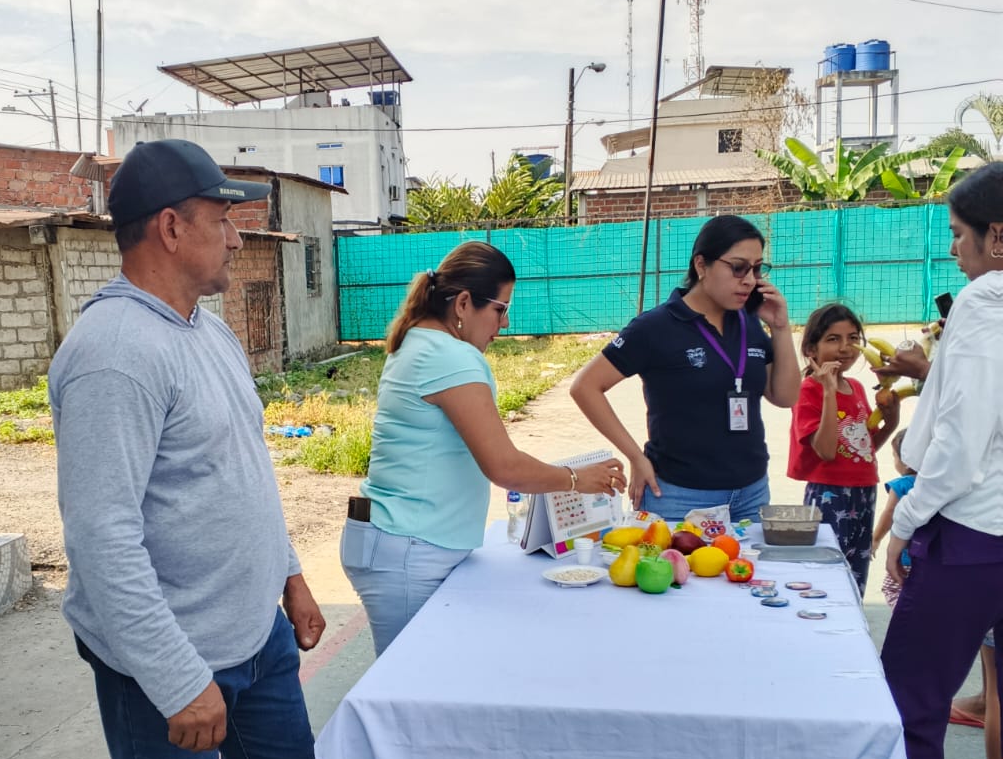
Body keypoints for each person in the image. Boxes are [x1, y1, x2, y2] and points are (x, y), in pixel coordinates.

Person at [49, 139, 351, 759]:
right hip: (165, 666)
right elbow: (102, 539)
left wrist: (291, 577)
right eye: (222, 218)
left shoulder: (205, 333)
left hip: (254, 639)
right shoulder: (112, 355)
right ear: (171, 227)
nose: (237, 235)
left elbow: (244, 473)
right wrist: (178, 679)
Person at [341, 241, 626, 655]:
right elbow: (504, 466)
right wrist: (575, 479)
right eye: (499, 308)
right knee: (414, 681)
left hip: (402, 542)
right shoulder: (450, 356)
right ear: (463, 303)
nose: (505, 323)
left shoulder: (420, 341)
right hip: (410, 550)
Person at [878, 163, 1003, 759]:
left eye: (959, 234)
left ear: (997, 237)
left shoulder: (988, 300)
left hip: (974, 535)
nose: (954, 250)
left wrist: (907, 521)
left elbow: (960, 448)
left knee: (909, 707)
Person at [570, 214, 801, 521]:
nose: (749, 280)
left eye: (757, 269)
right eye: (738, 267)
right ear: (701, 265)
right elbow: (585, 387)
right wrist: (635, 456)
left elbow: (785, 396)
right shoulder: (656, 327)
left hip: (751, 493)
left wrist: (781, 328)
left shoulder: (749, 322)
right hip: (679, 496)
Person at [787, 303, 899, 595]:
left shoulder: (857, 387)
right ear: (811, 349)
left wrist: (891, 421)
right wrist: (828, 392)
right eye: (833, 339)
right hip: (829, 494)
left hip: (864, 492)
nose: (845, 348)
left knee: (855, 574)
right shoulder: (808, 390)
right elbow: (826, 451)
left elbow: (864, 448)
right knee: (824, 574)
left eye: (852, 338)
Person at [872, 427, 916, 608]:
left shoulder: (902, 485)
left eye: (894, 456)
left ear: (906, 461)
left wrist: (876, 538)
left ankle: (906, 620)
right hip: (931, 559)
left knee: (893, 589)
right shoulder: (939, 484)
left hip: (904, 559)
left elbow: (890, 512)